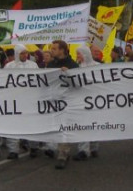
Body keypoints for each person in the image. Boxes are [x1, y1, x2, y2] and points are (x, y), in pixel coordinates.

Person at [46, 40, 79, 170]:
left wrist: (69, 74)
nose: (51, 50)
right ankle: (52, 147)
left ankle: (63, 154)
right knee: (55, 126)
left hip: (67, 102)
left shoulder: (72, 65)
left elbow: (78, 84)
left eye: (54, 48)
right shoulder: (51, 65)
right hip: (53, 101)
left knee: (65, 127)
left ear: (62, 50)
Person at [5, 44, 40, 159]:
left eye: (26, 53)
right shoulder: (9, 66)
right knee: (13, 125)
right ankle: (13, 150)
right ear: (17, 54)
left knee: (31, 124)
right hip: (14, 100)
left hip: (29, 100)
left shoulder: (33, 65)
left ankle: (34, 146)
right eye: (22, 53)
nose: (25, 55)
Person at [72, 45, 100, 161]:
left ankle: (94, 147)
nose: (77, 56)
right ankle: (83, 150)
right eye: (77, 54)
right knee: (82, 125)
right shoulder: (76, 68)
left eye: (79, 53)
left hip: (94, 101)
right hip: (80, 101)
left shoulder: (97, 67)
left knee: (94, 125)